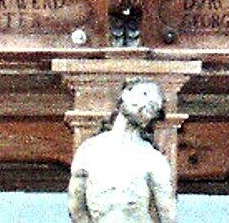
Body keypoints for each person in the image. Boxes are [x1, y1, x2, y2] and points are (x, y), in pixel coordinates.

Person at [67, 80, 175, 223]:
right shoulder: (88, 150)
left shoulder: (153, 159)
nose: (145, 104)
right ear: (126, 93)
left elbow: (167, 215)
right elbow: (76, 209)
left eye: (153, 106)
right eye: (144, 94)